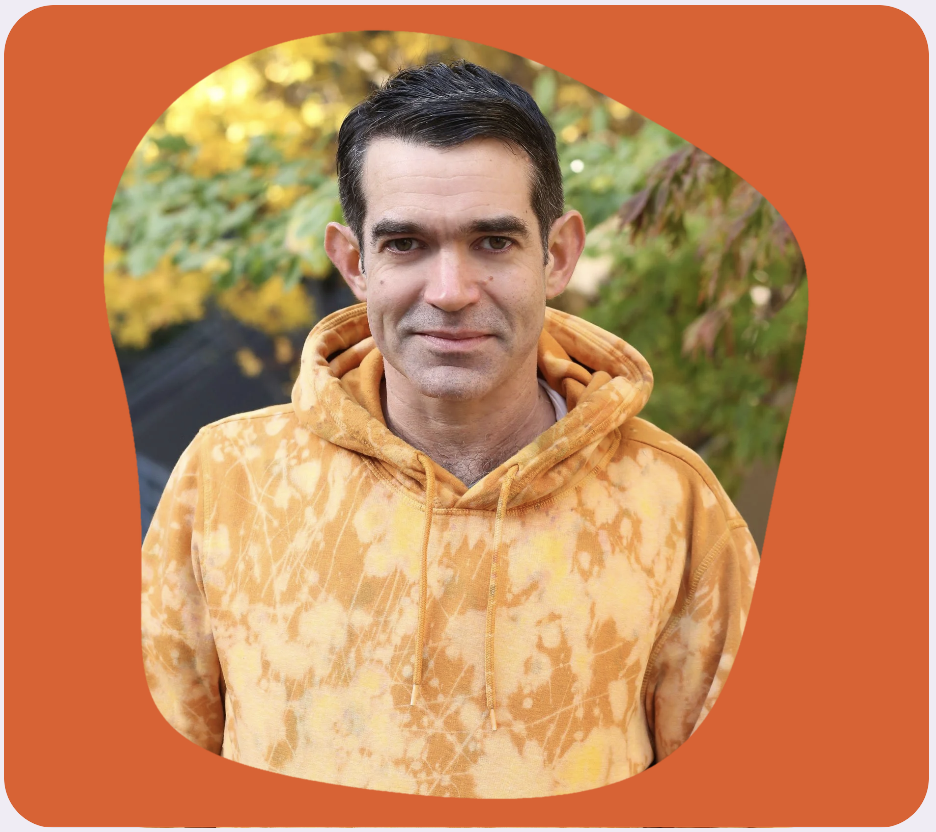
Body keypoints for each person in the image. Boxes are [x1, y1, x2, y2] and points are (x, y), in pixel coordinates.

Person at [142, 61, 759, 799]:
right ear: (354, 261)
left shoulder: (672, 503)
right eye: (406, 244)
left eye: (493, 242)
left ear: (556, 254)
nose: (451, 292)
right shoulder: (228, 477)